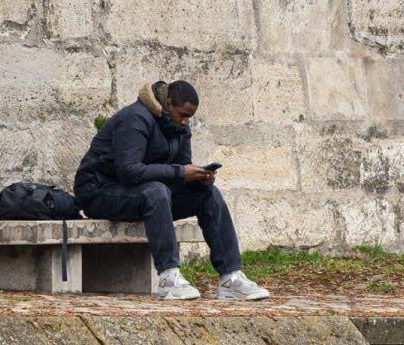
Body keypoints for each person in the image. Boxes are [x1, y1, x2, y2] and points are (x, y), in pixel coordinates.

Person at [73, 80, 270, 301]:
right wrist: (180, 173)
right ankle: (169, 278)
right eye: (183, 115)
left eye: (190, 117)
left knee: (208, 195)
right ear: (168, 104)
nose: (186, 122)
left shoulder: (180, 128)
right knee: (156, 191)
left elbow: (179, 170)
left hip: (144, 194)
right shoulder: (135, 118)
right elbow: (128, 171)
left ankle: (231, 278)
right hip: (99, 192)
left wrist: (198, 178)